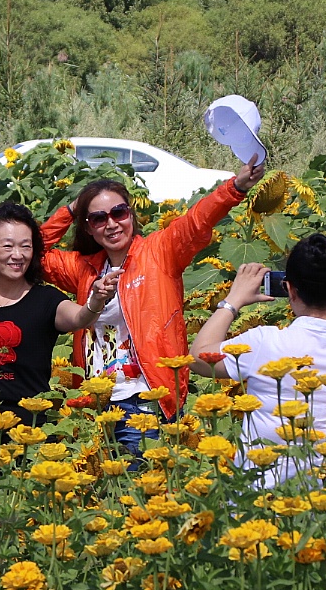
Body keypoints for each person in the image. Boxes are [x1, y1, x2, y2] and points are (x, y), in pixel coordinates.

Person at [40, 156, 265, 455]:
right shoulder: (84, 268)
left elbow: (196, 221)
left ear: (131, 214)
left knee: (142, 479)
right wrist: (71, 208)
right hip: (94, 406)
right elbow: (33, 252)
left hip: (146, 399)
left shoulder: (160, 251)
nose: (111, 224)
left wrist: (235, 188)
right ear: (89, 228)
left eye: (118, 212)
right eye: (98, 218)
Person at [190, 235, 326, 487]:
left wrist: (233, 300)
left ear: (290, 290)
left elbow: (198, 357)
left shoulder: (264, 343)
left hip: (259, 500)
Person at [0, 202, 121, 423]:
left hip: (32, 430)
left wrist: (96, 299)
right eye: (8, 246)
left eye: (26, 246)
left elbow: (80, 318)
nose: (18, 255)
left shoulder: (46, 299)